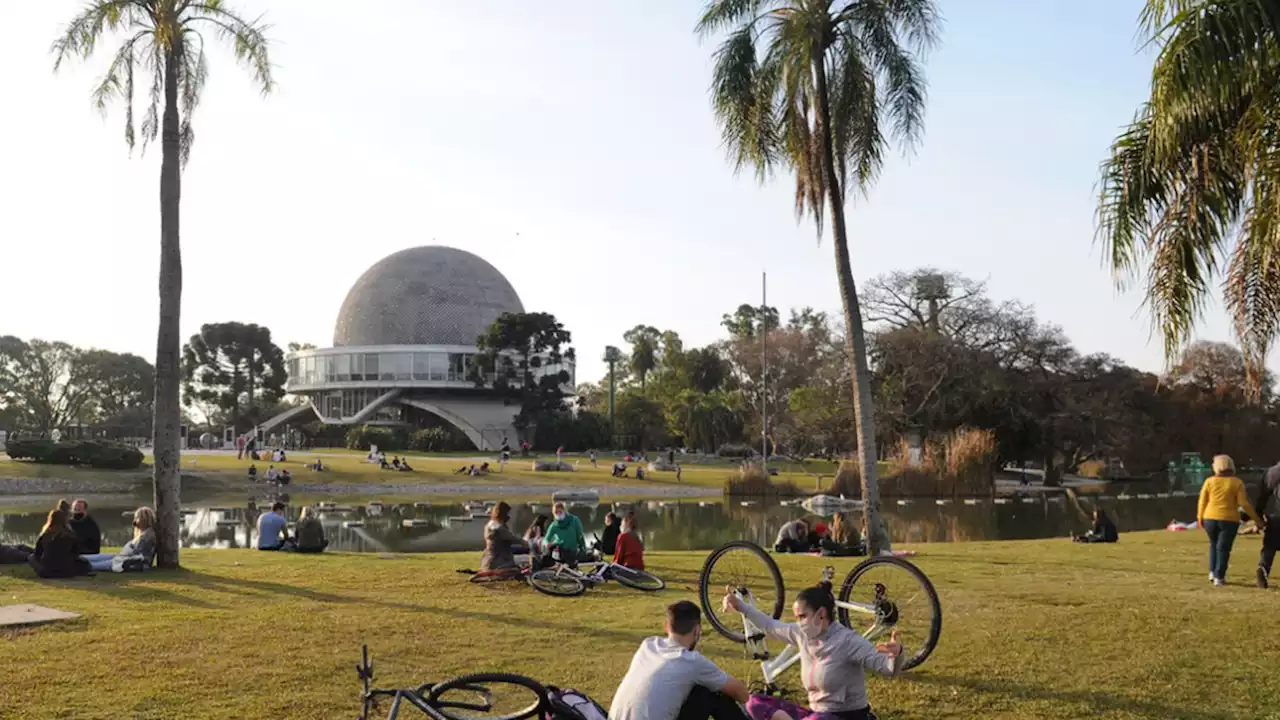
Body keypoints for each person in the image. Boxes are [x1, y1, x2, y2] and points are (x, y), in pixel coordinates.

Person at [723, 582, 902, 720]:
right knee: (754, 702)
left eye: (802, 616)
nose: (799, 622)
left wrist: (897, 654)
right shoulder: (802, 634)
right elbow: (770, 626)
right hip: (815, 714)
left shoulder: (848, 641)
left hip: (846, 716)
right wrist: (740, 606)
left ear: (821, 614)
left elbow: (887, 668)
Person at [608, 600, 750, 720]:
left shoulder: (648, 645)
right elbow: (740, 693)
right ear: (697, 630)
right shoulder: (691, 661)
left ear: (666, 626)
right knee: (709, 692)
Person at [1198, 454, 1262, 586]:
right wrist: (1256, 519)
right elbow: (1243, 504)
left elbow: (1202, 501)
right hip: (1229, 519)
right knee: (1223, 548)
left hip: (1209, 517)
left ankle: (1212, 571)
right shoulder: (1236, 482)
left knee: (1213, 544)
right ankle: (1219, 576)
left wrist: (1200, 517)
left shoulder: (1209, 481)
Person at [81, 507, 157, 572]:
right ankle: (75, 557)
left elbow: (138, 556)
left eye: (137, 518)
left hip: (123, 562)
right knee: (95, 557)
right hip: (120, 557)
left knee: (93, 565)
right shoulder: (143, 534)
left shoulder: (147, 537)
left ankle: (75, 565)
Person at [29, 509, 91, 578]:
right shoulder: (70, 534)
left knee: (31, 557)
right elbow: (76, 552)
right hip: (67, 572)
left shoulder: (45, 535)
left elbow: (37, 554)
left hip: (46, 572)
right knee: (83, 561)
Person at [481, 501, 525, 572]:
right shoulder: (498, 527)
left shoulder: (490, 524)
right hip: (499, 560)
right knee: (526, 558)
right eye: (507, 513)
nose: (509, 516)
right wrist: (525, 542)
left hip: (488, 559)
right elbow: (513, 538)